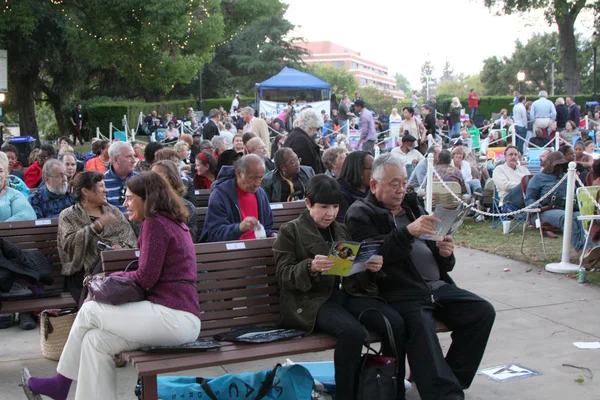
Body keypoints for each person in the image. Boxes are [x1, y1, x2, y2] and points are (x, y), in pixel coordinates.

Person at [23, 172, 201, 400]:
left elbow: (146, 278)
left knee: (89, 309)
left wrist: (112, 277)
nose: (125, 203)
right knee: (94, 341)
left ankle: (60, 383)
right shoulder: (170, 221)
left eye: (129, 197)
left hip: (172, 317)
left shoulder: (155, 224)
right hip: (176, 318)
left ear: (147, 198)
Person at [345, 153, 495, 400]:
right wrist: (407, 232)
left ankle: (451, 379)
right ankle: (444, 395)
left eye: (404, 183)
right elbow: (373, 254)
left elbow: (432, 249)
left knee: (481, 312)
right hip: (400, 291)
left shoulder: (412, 206)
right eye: (394, 184)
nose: (401, 190)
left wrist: (445, 253)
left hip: (435, 285)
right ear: (374, 185)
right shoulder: (361, 212)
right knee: (422, 327)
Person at [273, 174, 406, 400]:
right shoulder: (290, 231)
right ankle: (348, 394)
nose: (331, 213)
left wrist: (369, 266)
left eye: (335, 206)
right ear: (308, 204)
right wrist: (309, 267)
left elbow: (353, 273)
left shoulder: (341, 230)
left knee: (394, 322)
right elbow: (283, 275)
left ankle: (391, 390)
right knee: (352, 332)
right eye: (324, 207)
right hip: (311, 301)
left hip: (346, 294)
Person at [55, 171, 137, 302]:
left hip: (116, 269)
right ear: (86, 191)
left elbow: (130, 239)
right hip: (82, 274)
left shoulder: (113, 211)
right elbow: (68, 245)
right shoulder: (69, 215)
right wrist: (95, 226)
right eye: (101, 186)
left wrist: (120, 248)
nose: (106, 190)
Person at [200, 154, 276, 243]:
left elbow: (267, 227)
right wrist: (239, 228)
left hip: (258, 248)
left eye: (260, 178)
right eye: (253, 178)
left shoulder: (260, 194)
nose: (257, 183)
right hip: (231, 250)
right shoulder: (220, 194)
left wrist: (272, 234)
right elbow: (215, 233)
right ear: (239, 173)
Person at [525, 152, 588, 253]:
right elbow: (529, 199)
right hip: (544, 211)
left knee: (583, 218)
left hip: (567, 208)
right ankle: (581, 251)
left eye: (562, 165)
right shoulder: (538, 178)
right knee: (567, 218)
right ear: (550, 164)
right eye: (557, 165)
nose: (559, 167)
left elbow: (576, 195)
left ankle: (590, 249)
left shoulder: (566, 177)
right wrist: (540, 208)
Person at [152, 160, 199, 243]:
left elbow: (191, 242)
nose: (151, 181)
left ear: (171, 179)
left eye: (156, 177)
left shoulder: (188, 208)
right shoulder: (146, 206)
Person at [283, 108, 325, 175]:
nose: (316, 132)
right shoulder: (302, 141)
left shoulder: (294, 135)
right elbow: (306, 167)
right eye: (317, 128)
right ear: (312, 127)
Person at [336, 151, 374, 223]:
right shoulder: (340, 193)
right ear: (358, 170)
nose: (376, 172)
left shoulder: (372, 190)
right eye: (372, 168)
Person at [492, 145, 530, 209]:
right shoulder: (499, 169)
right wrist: (522, 185)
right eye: (510, 154)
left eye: (515, 155)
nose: (513, 157)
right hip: (508, 200)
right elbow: (505, 186)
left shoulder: (524, 169)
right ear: (505, 157)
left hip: (525, 196)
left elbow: (531, 182)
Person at [103, 141, 138, 212]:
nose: (133, 160)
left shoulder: (141, 180)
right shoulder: (101, 182)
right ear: (116, 159)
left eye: (134, 156)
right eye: (129, 156)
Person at [0, 156, 36, 222]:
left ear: (6, 174)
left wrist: (3, 227)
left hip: (8, 231)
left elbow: (26, 216)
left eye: (1, 171)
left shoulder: (14, 195)